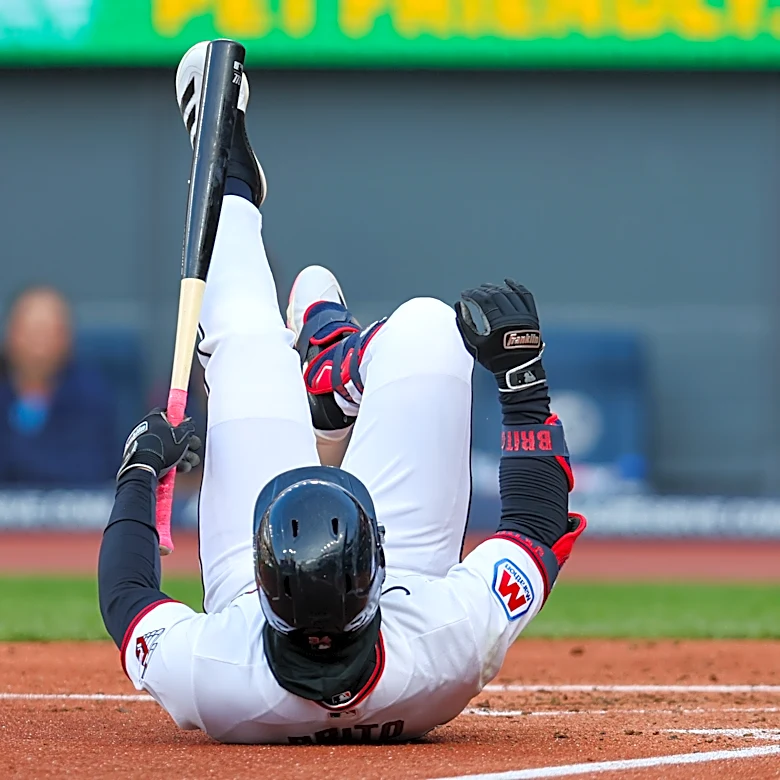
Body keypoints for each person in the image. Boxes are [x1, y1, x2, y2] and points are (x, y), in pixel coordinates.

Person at [98, 41, 586, 745]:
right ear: (376, 563)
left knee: (246, 341)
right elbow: (538, 526)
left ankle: (232, 189)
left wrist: (140, 471)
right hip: (409, 590)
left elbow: (128, 601)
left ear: (264, 577)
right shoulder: (443, 643)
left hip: (260, 605)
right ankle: (336, 363)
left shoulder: (217, 670)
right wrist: (520, 376)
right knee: (430, 330)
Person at [0, 286, 116, 486]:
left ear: (67, 339)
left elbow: (93, 471)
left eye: (49, 332)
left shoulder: (91, 397)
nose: (38, 345)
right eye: (30, 332)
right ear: (10, 335)